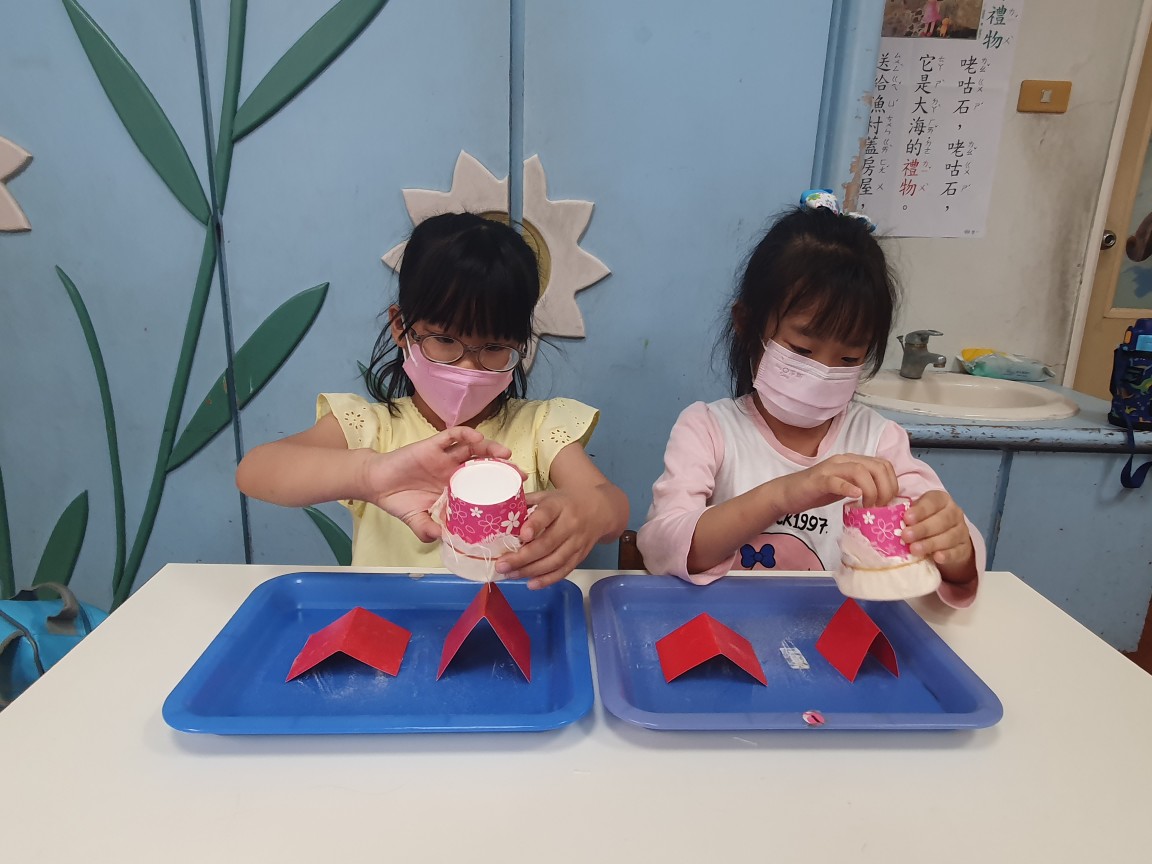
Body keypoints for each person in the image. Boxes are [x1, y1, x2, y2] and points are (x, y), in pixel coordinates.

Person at [237, 212, 628, 588]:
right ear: (400, 327)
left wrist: (589, 511)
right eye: (444, 340)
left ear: (520, 346)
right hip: (389, 622)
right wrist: (371, 475)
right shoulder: (370, 427)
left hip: (506, 621)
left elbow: (612, 505)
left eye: (494, 347)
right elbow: (255, 471)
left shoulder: (540, 426)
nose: (468, 366)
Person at [637, 192, 982, 607]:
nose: (823, 372)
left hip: (838, 634)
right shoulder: (708, 430)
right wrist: (785, 493)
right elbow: (660, 547)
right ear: (747, 324)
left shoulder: (878, 442)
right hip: (725, 628)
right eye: (801, 350)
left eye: (849, 358)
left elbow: (954, 556)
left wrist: (956, 549)